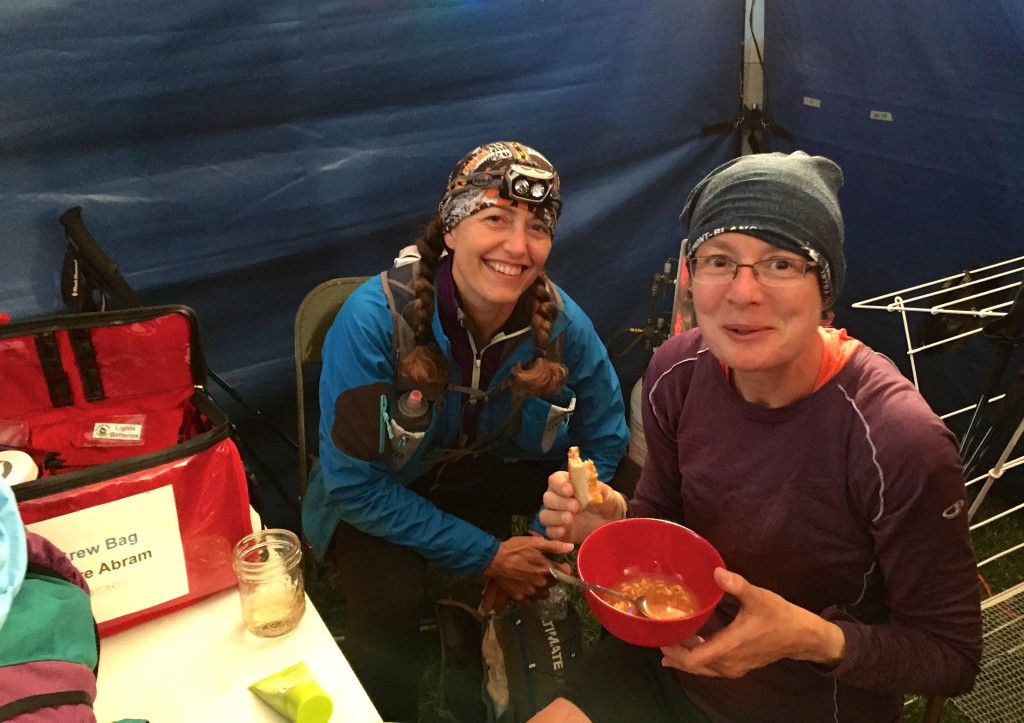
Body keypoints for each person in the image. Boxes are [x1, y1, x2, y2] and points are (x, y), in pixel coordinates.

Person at [533, 151, 983, 722]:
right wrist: (618, 526)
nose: (743, 294)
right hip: (667, 661)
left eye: (780, 263)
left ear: (825, 289)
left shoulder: (896, 441)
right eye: (719, 260)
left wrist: (814, 639)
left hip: (808, 703)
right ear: (692, 279)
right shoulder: (678, 370)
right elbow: (665, 519)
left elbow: (952, 655)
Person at [302, 140, 630, 721]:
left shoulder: (561, 324)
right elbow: (352, 483)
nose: (517, 246)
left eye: (536, 227)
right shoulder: (373, 321)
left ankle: (564, 676)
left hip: (486, 474)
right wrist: (490, 555)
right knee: (386, 617)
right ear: (450, 229)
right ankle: (388, 707)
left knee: (621, 496)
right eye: (495, 218)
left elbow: (605, 437)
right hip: (384, 486)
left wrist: (546, 539)